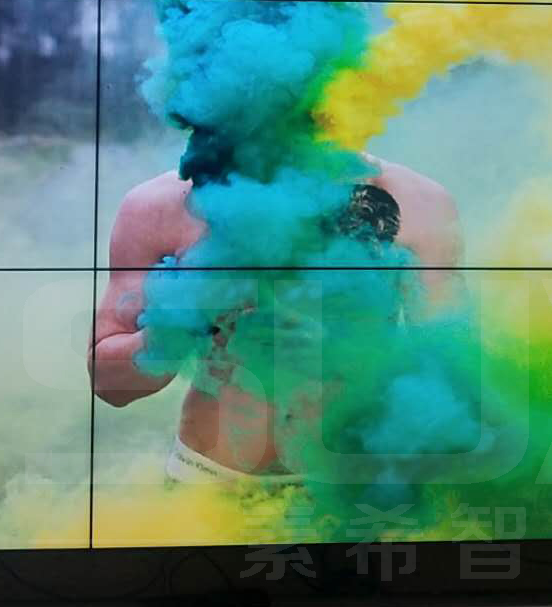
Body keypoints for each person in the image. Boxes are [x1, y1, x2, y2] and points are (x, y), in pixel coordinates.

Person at [88, 156, 461, 485]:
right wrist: (180, 325)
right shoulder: (161, 204)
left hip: (356, 486)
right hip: (210, 483)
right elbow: (109, 386)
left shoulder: (416, 201)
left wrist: (346, 353)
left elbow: (455, 382)